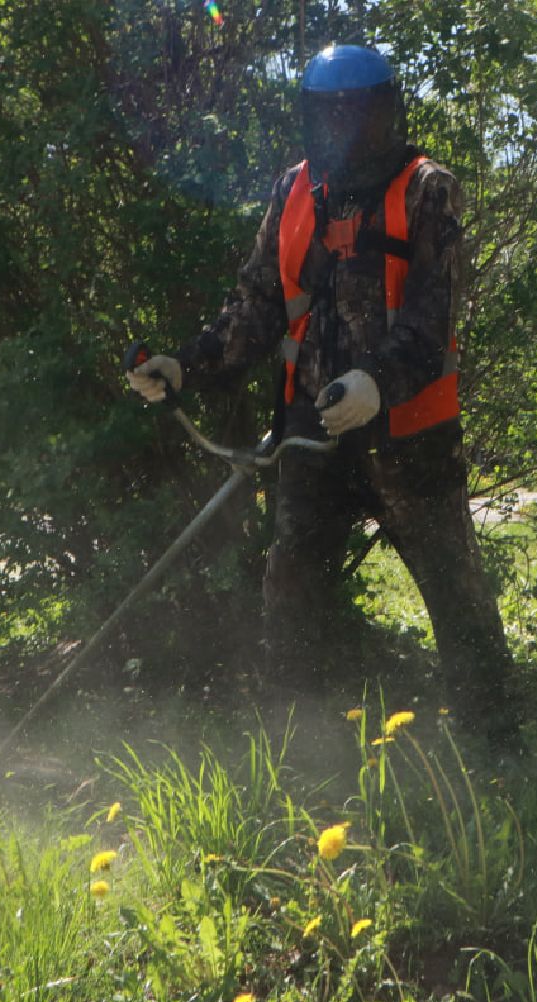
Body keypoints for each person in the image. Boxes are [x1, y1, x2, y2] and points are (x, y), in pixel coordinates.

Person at [126, 44, 515, 740]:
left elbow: (434, 320)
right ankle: (303, 757)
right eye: (330, 116)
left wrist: (376, 380)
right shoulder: (295, 190)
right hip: (310, 437)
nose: (345, 130)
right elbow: (255, 309)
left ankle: (500, 755)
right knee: (292, 604)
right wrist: (183, 365)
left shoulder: (428, 189)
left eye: (358, 115)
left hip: (410, 438)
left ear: (387, 111)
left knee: (457, 602)